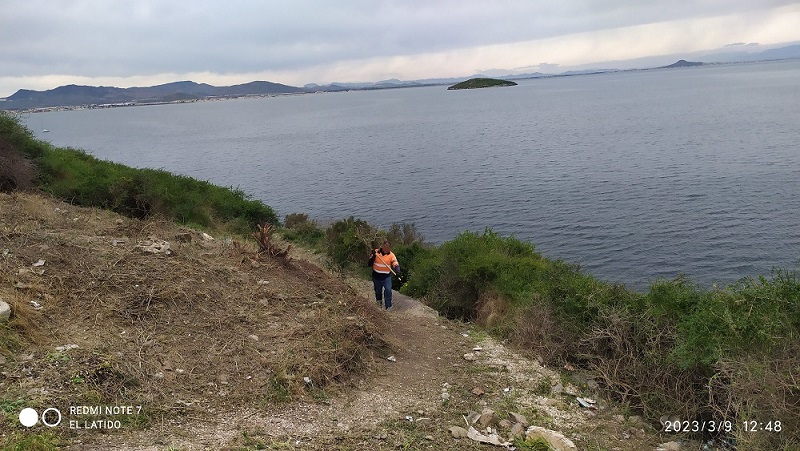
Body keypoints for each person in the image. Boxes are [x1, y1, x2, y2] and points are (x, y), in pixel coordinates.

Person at [368, 239, 401, 310]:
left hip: (386, 277)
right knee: (378, 291)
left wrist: (398, 271)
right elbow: (369, 263)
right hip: (376, 276)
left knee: (388, 290)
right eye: (385, 246)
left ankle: (388, 306)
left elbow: (395, 264)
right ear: (382, 246)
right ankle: (378, 305)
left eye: (388, 247)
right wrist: (373, 256)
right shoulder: (376, 252)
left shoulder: (391, 255)